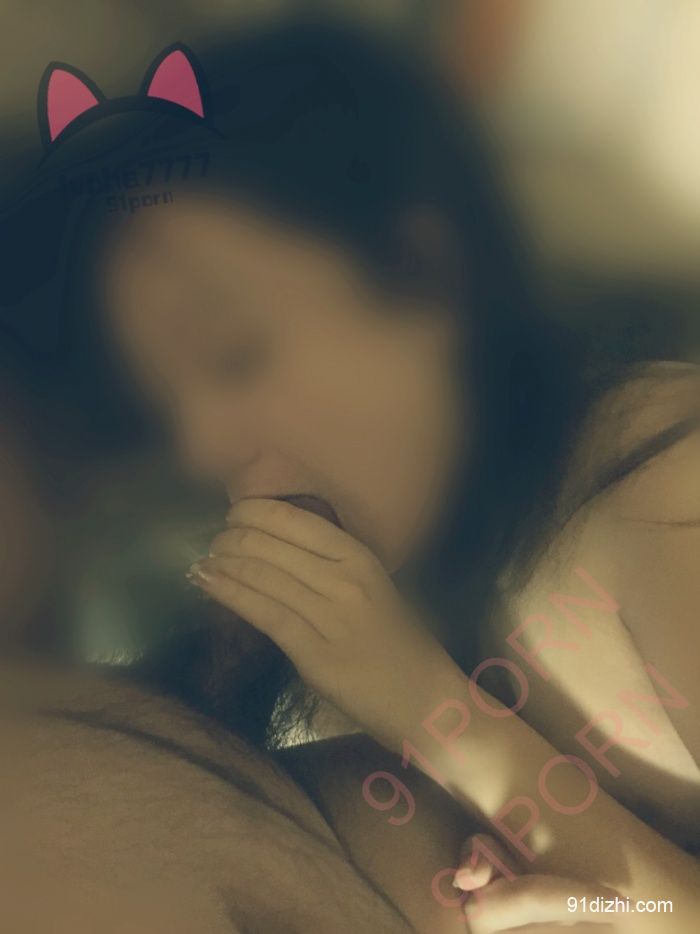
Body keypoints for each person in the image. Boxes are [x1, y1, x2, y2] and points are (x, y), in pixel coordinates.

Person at [1, 20, 698, 932]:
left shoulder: (663, 508)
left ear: (422, 268)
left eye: (236, 354)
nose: (204, 445)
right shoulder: (443, 568)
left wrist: (424, 704)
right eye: (166, 405)